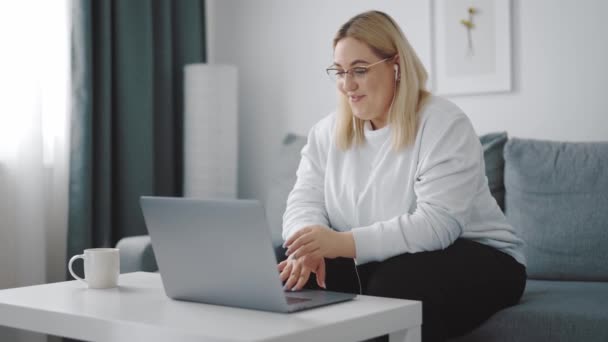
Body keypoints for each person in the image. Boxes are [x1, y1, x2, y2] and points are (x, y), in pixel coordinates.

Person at [277, 10, 526, 342]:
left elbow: (438, 225)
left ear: (395, 65)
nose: (347, 85)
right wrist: (303, 248)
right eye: (339, 72)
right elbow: (303, 200)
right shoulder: (325, 133)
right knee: (282, 269)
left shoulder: (442, 123)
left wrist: (341, 243)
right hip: (384, 258)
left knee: (395, 286)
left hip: (480, 253)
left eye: (360, 71)